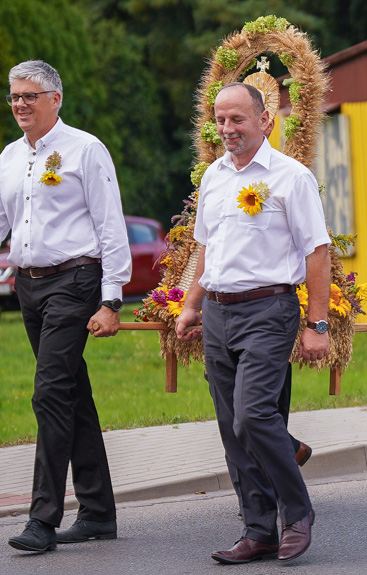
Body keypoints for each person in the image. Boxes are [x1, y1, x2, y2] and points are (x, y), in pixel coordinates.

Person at [175, 82, 331, 563]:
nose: (227, 129)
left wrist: (318, 325)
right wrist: (191, 304)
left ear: (265, 120)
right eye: (220, 120)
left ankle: (297, 512)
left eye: (237, 119)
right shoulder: (215, 178)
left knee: (253, 416)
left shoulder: (291, 177)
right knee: (231, 426)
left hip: (269, 310)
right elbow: (207, 248)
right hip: (219, 312)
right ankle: (258, 529)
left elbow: (317, 251)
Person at [1, 60, 132, 553]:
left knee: (49, 393)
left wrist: (112, 298)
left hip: (76, 281)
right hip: (28, 288)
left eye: (29, 95)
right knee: (71, 394)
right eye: (14, 95)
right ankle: (97, 513)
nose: (19, 104)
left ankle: (43, 519)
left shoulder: (85, 149)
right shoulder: (10, 157)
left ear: (55, 99)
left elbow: (110, 225)